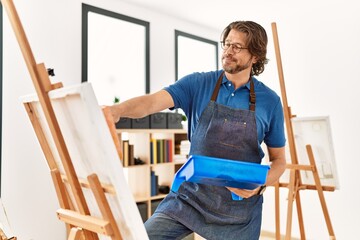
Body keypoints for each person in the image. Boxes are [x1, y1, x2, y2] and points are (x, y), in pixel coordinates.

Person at [109, 20, 286, 240]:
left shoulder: (270, 102)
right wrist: (117, 110)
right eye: (227, 44)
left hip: (239, 210)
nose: (228, 52)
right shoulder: (197, 84)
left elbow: (279, 161)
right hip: (189, 199)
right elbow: (151, 102)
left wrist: (260, 185)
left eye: (237, 47)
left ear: (256, 56)